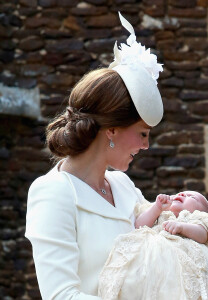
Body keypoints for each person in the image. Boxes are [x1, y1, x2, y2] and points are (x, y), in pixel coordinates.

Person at [25, 13, 164, 300]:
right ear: (111, 130)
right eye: (142, 133)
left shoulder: (124, 186)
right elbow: (61, 295)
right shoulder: (53, 193)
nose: (147, 146)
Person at [98, 191, 208, 300]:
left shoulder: (196, 220)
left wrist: (182, 227)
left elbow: (202, 235)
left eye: (192, 197)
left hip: (178, 269)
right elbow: (139, 225)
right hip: (149, 265)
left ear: (201, 212)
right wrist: (156, 208)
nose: (182, 194)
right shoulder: (161, 215)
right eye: (179, 193)